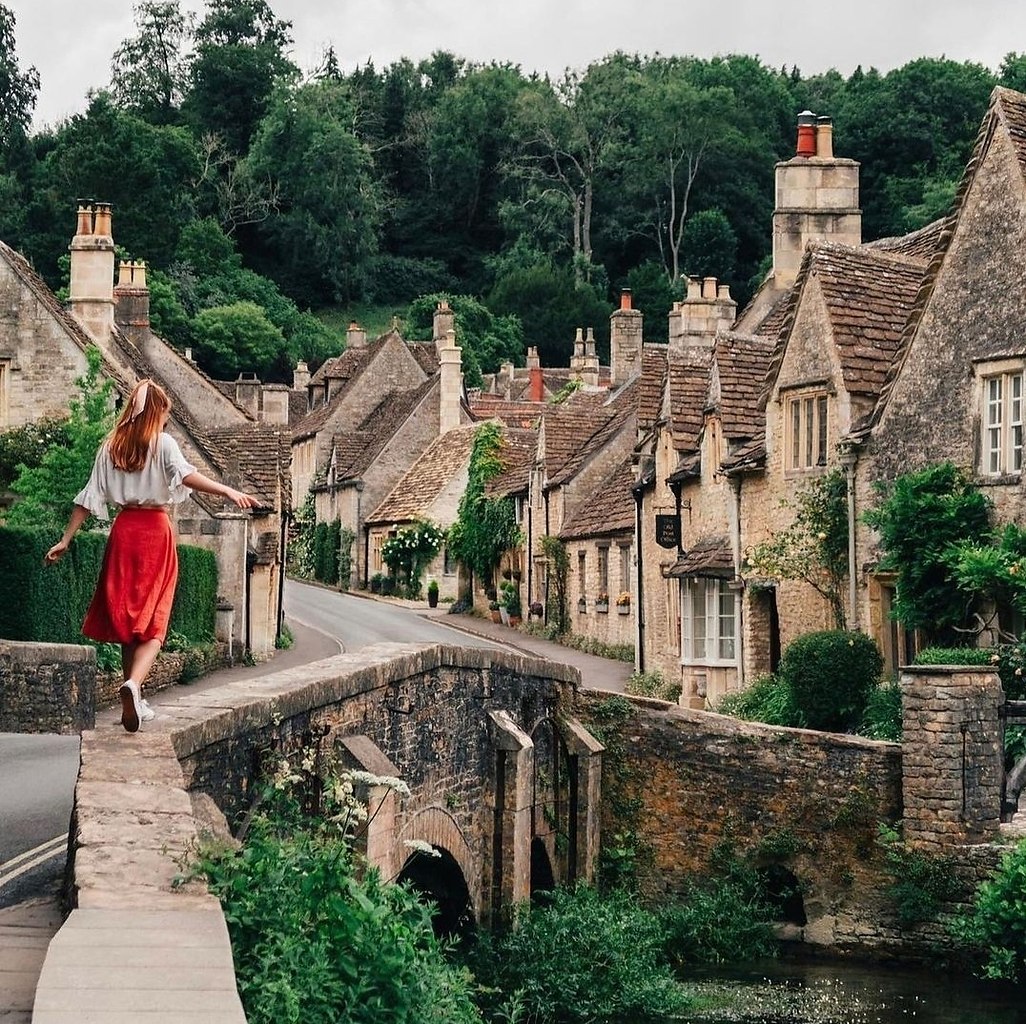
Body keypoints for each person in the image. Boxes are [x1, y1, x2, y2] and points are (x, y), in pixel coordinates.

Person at [44, 379, 260, 732]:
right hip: (155, 533)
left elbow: (88, 497)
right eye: (164, 415)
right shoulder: (163, 444)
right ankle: (133, 685)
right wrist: (227, 490)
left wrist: (66, 539)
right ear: (157, 412)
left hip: (123, 533)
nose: (165, 422)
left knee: (130, 623)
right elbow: (187, 476)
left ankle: (136, 696)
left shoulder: (111, 447)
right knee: (155, 620)